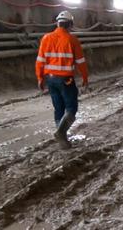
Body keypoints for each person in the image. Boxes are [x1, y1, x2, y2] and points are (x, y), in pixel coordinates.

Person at [35, 11, 89, 148]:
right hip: (66, 80)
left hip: (50, 80)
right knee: (71, 108)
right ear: (70, 24)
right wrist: (85, 78)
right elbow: (80, 62)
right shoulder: (72, 40)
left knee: (58, 108)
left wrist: (40, 78)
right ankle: (61, 133)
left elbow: (40, 61)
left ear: (57, 23)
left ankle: (63, 140)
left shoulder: (46, 38)